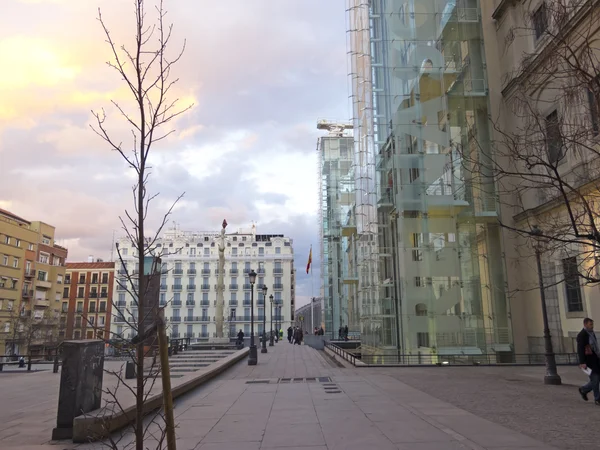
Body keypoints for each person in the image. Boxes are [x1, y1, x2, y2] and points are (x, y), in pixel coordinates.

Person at [578, 317, 600, 405]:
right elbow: (580, 349)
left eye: (592, 324)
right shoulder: (582, 335)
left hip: (595, 358)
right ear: (585, 324)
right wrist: (582, 362)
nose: (592, 326)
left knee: (597, 379)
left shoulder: (591, 333)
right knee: (595, 379)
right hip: (588, 361)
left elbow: (595, 346)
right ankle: (597, 399)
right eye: (590, 324)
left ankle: (584, 389)